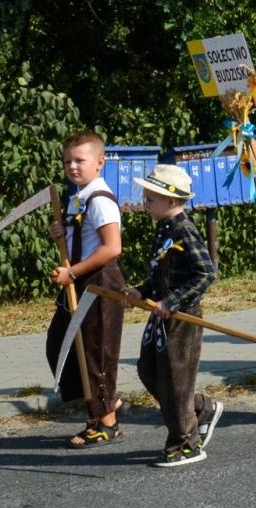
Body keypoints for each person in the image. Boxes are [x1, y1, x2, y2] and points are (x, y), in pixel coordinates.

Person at [127, 164, 221, 468]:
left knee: (175, 381)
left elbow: (206, 273)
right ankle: (201, 409)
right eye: (145, 198)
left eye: (150, 199)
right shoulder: (164, 229)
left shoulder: (184, 230)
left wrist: (171, 301)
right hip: (161, 316)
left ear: (170, 201)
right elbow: (161, 273)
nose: (145, 204)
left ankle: (186, 443)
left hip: (182, 319)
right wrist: (143, 292)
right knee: (149, 372)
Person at [45, 130, 126, 448]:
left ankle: (105, 422)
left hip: (100, 282)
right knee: (61, 346)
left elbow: (112, 248)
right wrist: (60, 232)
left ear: (100, 162)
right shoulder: (77, 197)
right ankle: (105, 405)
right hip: (79, 281)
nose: (73, 166)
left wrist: (72, 272)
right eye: (68, 160)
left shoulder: (99, 199)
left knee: (96, 352)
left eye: (80, 160)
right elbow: (79, 235)